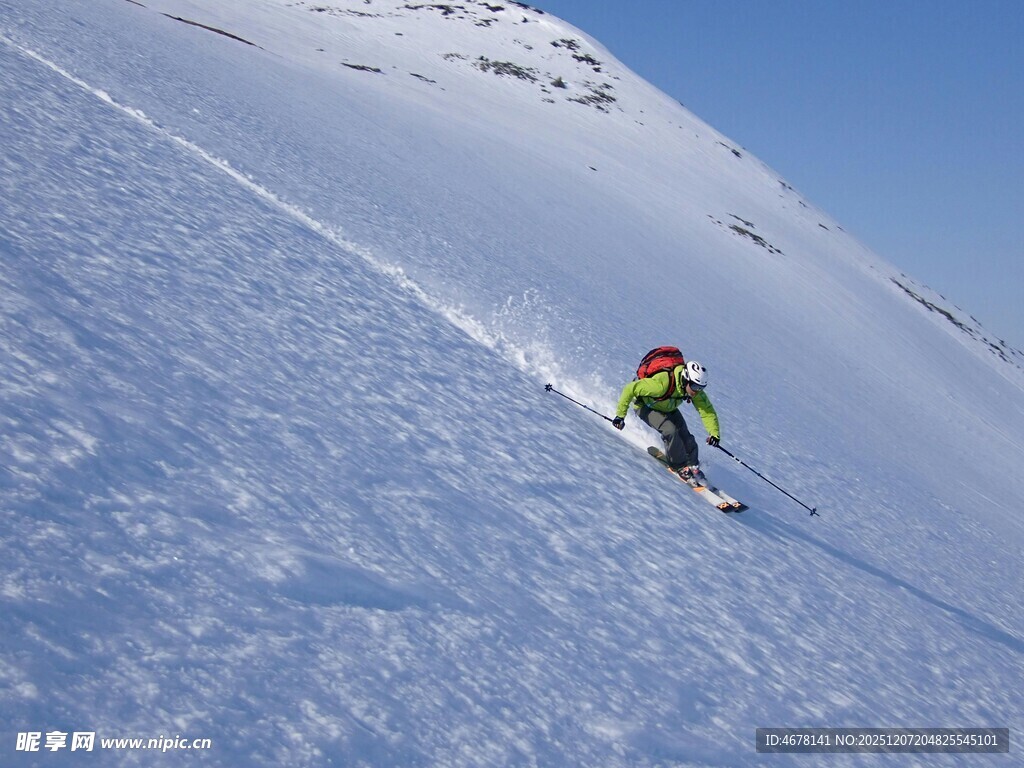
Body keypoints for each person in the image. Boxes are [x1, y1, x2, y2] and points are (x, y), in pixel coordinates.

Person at [612, 357, 721, 482]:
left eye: (701, 387)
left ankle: (692, 465)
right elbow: (630, 389)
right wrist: (620, 416)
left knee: (685, 435)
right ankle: (679, 466)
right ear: (686, 379)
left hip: (668, 407)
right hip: (645, 406)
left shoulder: (693, 390)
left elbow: (707, 411)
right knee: (670, 431)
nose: (697, 391)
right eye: (695, 387)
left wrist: (714, 434)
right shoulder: (661, 384)